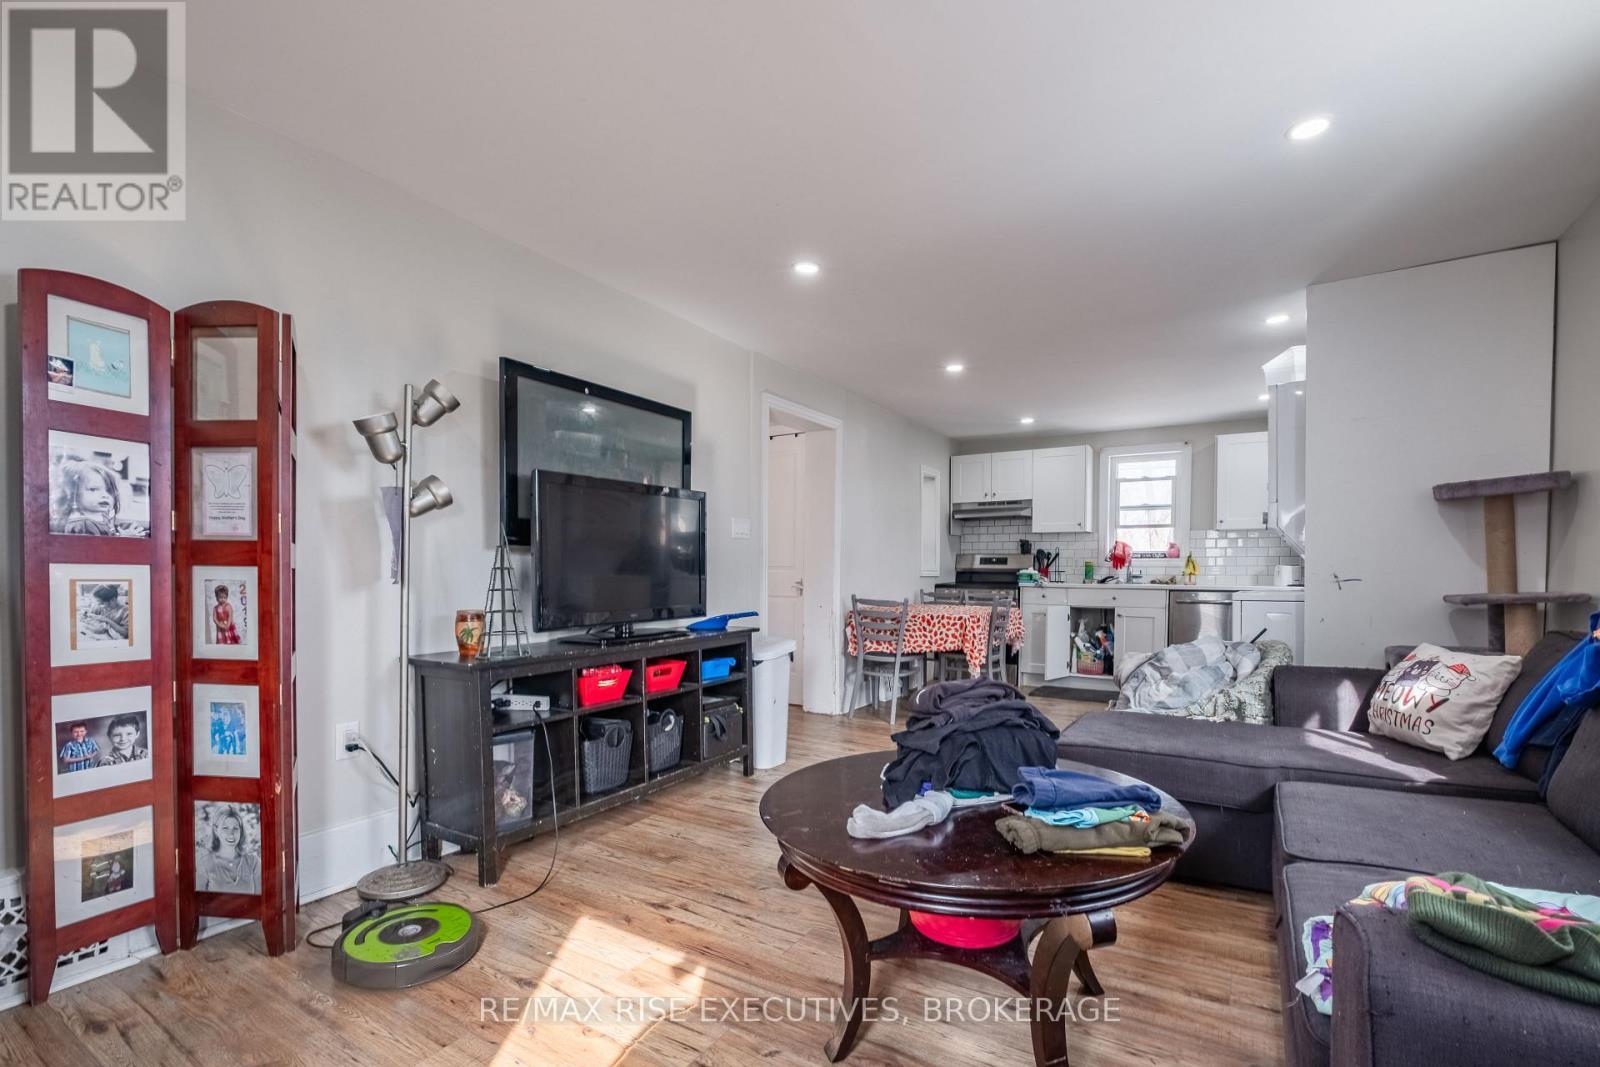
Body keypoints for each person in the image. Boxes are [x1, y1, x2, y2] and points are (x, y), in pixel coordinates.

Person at [195, 805, 260, 894]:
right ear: (216, 830)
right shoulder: (205, 863)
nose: (231, 834)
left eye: (235, 828)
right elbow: (199, 903)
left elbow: (261, 902)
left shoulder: (254, 862)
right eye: (225, 828)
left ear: (241, 830)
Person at [51, 456, 122, 536]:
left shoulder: (100, 516)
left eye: (109, 490)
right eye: (93, 489)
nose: (105, 495)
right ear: (74, 494)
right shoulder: (84, 525)